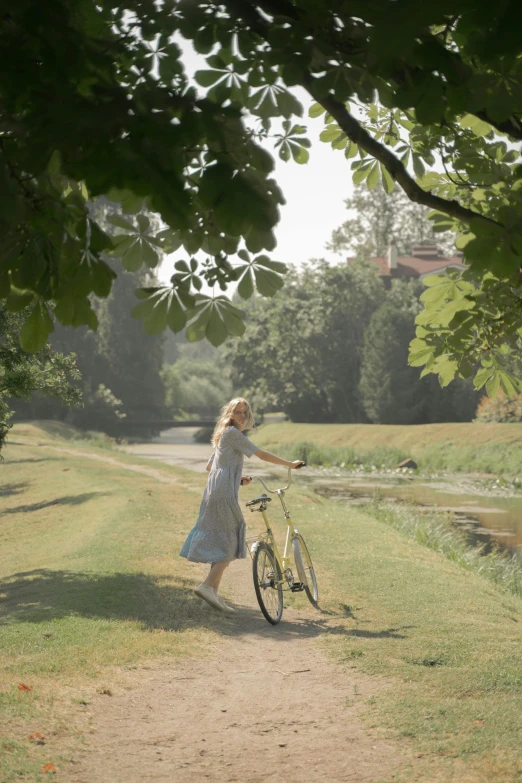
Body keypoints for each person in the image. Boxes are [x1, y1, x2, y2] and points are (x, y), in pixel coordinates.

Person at [180, 397, 304, 614]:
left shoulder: (222, 435)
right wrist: (290, 464)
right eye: (237, 412)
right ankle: (207, 586)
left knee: (222, 537)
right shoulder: (233, 434)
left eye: (245, 413)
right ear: (229, 412)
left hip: (213, 491)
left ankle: (212, 595)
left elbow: (211, 466)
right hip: (223, 494)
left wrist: (236, 478)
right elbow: (261, 454)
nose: (241, 416)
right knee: (232, 537)